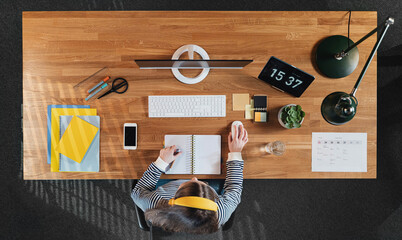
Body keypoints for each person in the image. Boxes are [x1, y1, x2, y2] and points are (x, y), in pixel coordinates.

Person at [131, 124, 248, 234]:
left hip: (167, 182)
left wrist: (161, 162)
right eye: (202, 184)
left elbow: (138, 193)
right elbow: (234, 191)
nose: (194, 177)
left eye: (189, 183)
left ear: (174, 198)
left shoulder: (158, 205)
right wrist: (235, 153)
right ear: (212, 204)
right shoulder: (219, 213)